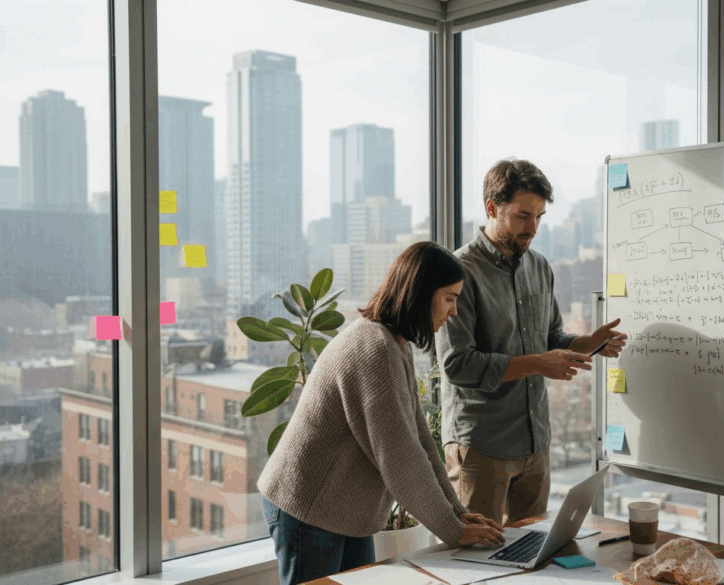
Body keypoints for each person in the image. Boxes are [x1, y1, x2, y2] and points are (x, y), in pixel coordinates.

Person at [258, 241, 505, 585]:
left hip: (342, 511)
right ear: (420, 293)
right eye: (449, 298)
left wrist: (459, 514)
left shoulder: (393, 343)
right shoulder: (375, 347)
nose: (454, 311)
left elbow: (419, 439)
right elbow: (400, 456)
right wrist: (451, 528)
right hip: (309, 506)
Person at [436, 157, 627, 527]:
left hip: (535, 444)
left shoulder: (539, 266)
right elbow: (458, 364)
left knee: (534, 555)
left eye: (539, 217)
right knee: (479, 564)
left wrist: (587, 342)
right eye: (523, 216)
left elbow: (552, 337)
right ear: (492, 208)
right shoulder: (459, 272)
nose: (533, 227)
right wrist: (540, 364)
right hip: (481, 448)